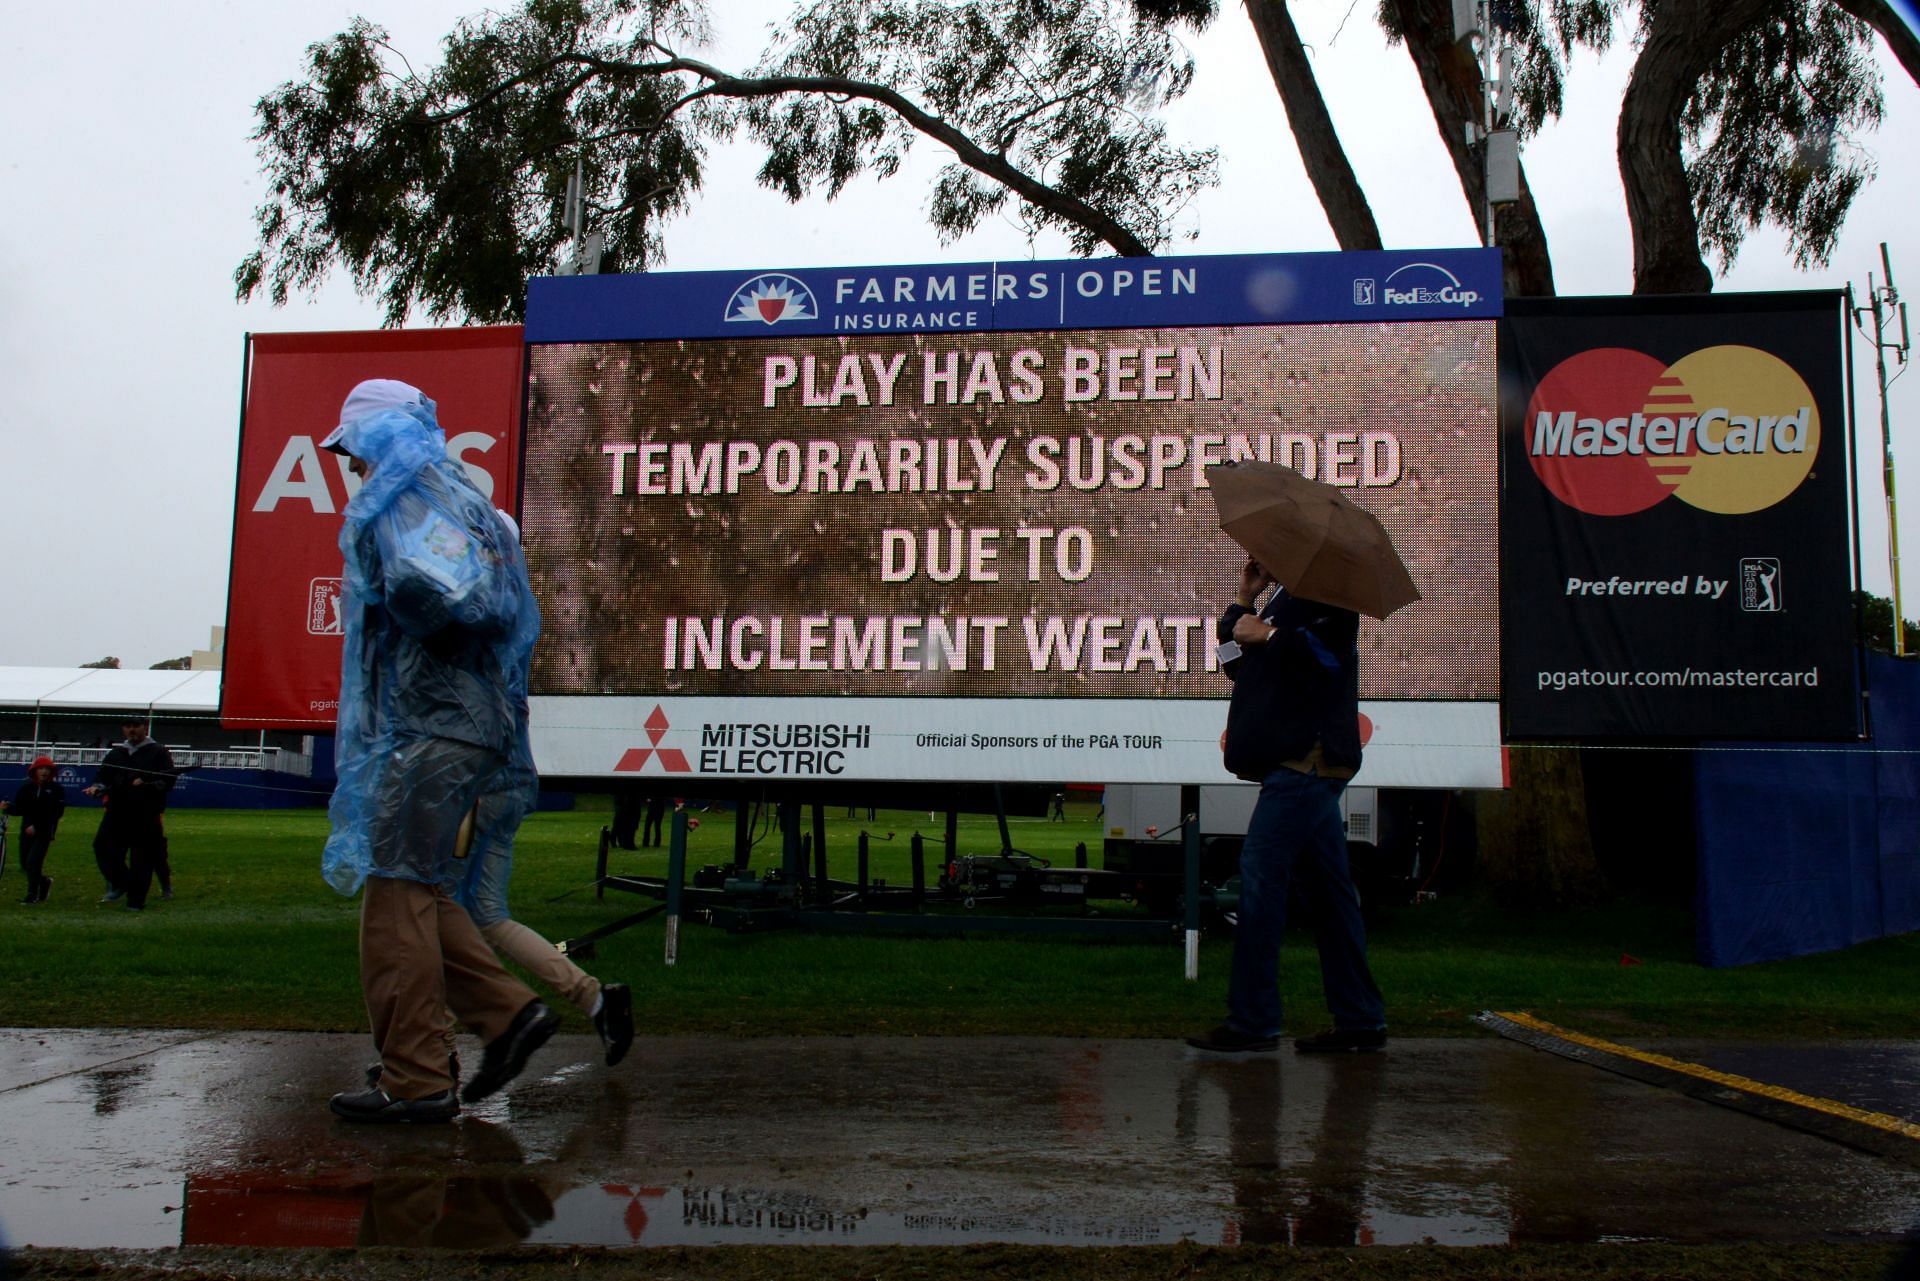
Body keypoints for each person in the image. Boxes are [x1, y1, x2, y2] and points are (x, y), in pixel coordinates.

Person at [319, 378, 560, 1124]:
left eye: (355, 449)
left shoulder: (410, 495)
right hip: (471, 724)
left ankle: (416, 1076)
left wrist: (400, 589)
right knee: (420, 889)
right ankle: (508, 1015)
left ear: (380, 437)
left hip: (436, 725)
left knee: (393, 896)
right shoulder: (465, 499)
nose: (353, 467)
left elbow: (451, 597)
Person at [452, 509, 635, 1070]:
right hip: (508, 780)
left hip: (476, 782)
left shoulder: (478, 611)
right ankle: (594, 998)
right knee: (484, 914)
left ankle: (434, 1050)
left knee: (428, 914)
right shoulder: (513, 610)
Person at [1188, 558, 1386, 1055]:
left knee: (1260, 873)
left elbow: (1329, 661)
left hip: (1308, 762)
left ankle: (1254, 1021)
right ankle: (1360, 1021)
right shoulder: (1281, 601)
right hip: (1296, 764)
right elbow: (1231, 662)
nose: (1262, 556)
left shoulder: (1331, 597)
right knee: (1330, 893)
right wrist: (1244, 600)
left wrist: (1271, 636)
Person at [86, 719, 175, 910]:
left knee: (142, 859)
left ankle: (136, 901)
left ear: (145, 727)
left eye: (136, 726)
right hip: (117, 810)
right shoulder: (116, 753)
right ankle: (121, 882)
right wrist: (97, 788)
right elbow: (103, 777)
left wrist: (147, 783)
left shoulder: (158, 752)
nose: (132, 730)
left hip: (146, 812)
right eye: (127, 726)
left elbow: (168, 780)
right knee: (102, 848)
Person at [4, 755, 66, 903]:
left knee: (33, 862)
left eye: (47, 769)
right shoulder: (26, 788)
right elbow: (21, 809)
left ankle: (32, 894)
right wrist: (8, 808)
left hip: (44, 832)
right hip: (26, 831)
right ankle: (44, 882)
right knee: (26, 864)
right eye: (41, 769)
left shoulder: (56, 790)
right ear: (35, 770)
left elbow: (56, 812)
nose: (44, 772)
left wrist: (37, 826)